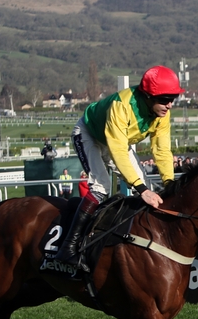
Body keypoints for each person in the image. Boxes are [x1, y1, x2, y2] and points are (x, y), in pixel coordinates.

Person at [53, 65, 184, 270]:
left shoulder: (162, 114)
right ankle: (68, 248)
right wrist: (141, 190)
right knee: (101, 187)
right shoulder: (121, 105)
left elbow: (162, 150)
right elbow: (118, 150)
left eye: (172, 99)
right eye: (165, 99)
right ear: (148, 96)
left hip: (117, 142)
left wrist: (170, 184)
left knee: (144, 183)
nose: (169, 105)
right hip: (90, 134)